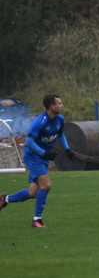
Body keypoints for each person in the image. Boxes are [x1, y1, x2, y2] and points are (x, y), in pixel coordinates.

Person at [0, 94, 74, 228]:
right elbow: (28, 142)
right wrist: (44, 153)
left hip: (42, 158)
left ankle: (4, 199)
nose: (62, 106)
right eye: (59, 104)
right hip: (33, 157)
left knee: (33, 193)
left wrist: (67, 149)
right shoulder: (40, 122)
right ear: (52, 106)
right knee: (46, 185)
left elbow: (60, 134)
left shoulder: (60, 119)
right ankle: (37, 220)